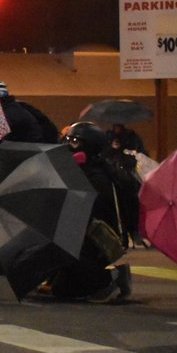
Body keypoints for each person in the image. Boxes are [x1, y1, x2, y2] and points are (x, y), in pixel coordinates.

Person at [48, 121, 132, 303]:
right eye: (67, 139)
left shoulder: (98, 177)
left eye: (74, 141)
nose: (68, 145)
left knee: (65, 281)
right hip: (80, 236)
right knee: (60, 287)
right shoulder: (79, 171)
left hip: (96, 241)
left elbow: (87, 217)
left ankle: (114, 277)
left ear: (89, 146)